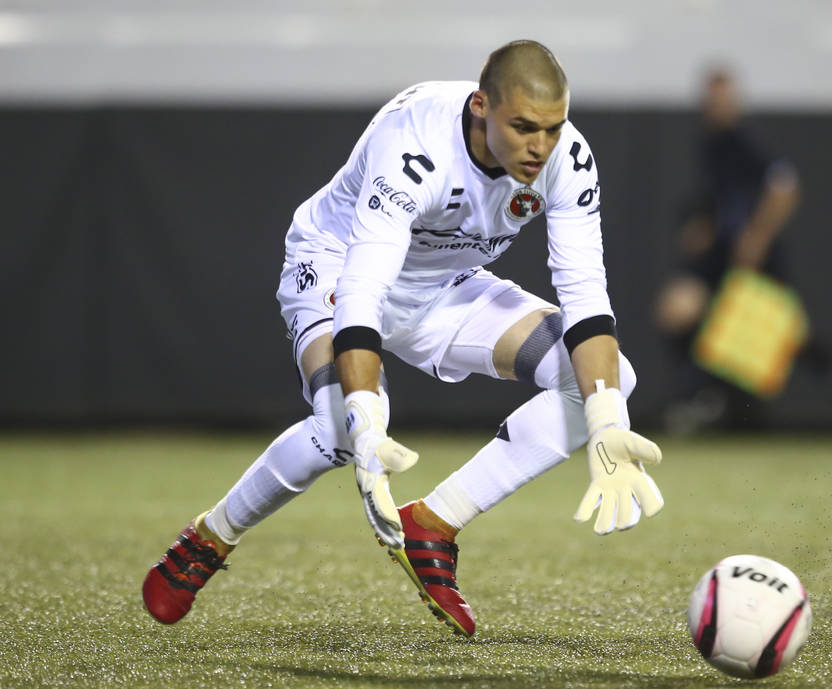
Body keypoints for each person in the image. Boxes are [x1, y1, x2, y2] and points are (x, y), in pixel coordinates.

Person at [142, 40, 664, 638]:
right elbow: (364, 288)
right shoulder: (414, 139)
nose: (539, 147)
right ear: (480, 106)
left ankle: (436, 523)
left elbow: (586, 298)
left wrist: (604, 423)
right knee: (341, 427)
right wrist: (365, 412)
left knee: (610, 382)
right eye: (522, 127)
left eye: (551, 128)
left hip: (447, 286)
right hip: (341, 265)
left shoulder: (567, 159)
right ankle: (211, 536)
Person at [655, 67, 832, 437]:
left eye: (725, 99)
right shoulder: (709, 143)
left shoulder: (744, 141)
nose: (718, 106)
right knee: (678, 310)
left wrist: (757, 236)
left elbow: (785, 187)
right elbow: (721, 200)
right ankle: (701, 396)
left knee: (786, 333)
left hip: (756, 260)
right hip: (720, 259)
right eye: (712, 99)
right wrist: (703, 226)